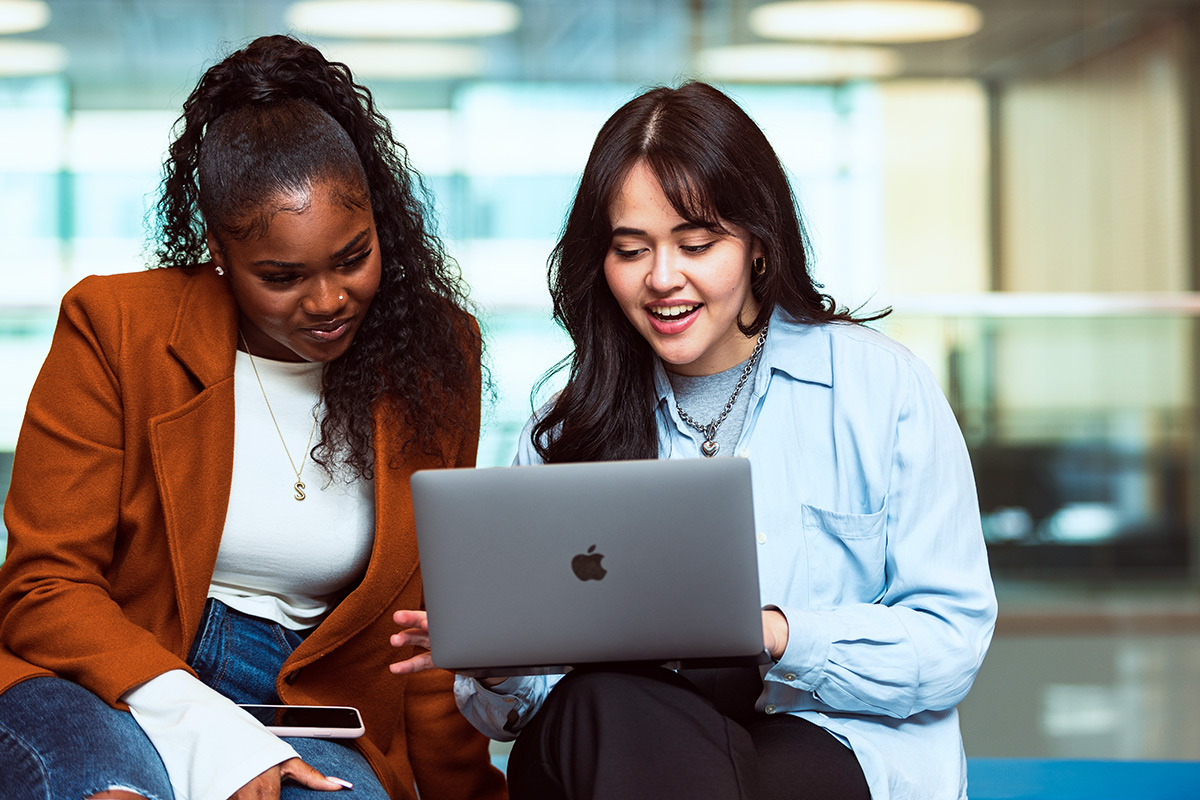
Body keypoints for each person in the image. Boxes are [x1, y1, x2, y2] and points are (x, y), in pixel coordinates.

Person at [391, 81, 997, 800]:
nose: (662, 279)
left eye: (697, 243)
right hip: (619, 737)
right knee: (606, 704)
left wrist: (776, 633)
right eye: (630, 249)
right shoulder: (570, 425)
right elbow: (515, 713)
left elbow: (949, 641)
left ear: (758, 248)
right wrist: (492, 657)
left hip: (829, 740)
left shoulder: (877, 388)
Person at [0, 34, 507, 800]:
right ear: (219, 255)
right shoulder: (115, 326)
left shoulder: (436, 354)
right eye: (281, 277)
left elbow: (423, 637)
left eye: (353, 256)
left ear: (381, 220)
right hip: (110, 680)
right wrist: (203, 725)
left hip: (310, 710)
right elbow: (44, 586)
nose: (330, 299)